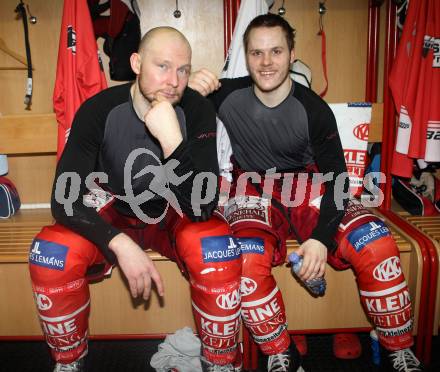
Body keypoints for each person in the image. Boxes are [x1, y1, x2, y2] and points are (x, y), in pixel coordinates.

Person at [188, 14, 423, 372]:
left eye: (276, 51)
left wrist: (320, 239)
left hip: (310, 186)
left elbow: (339, 181)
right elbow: (171, 109)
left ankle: (397, 348)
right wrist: (188, 86)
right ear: (246, 56)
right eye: (257, 53)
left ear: (292, 55)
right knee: (248, 264)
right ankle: (283, 353)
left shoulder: (313, 109)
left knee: (376, 243)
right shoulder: (226, 94)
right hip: (254, 188)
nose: (266, 63)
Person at [29, 27, 238, 372]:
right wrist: (120, 243)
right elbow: (63, 199)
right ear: (137, 63)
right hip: (115, 213)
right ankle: (69, 360)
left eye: (183, 70)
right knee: (52, 252)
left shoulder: (197, 108)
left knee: (215, 244)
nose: (173, 80)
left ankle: (220, 362)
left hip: (172, 212)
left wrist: (172, 141)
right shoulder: (99, 109)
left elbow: (201, 206)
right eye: (163, 66)